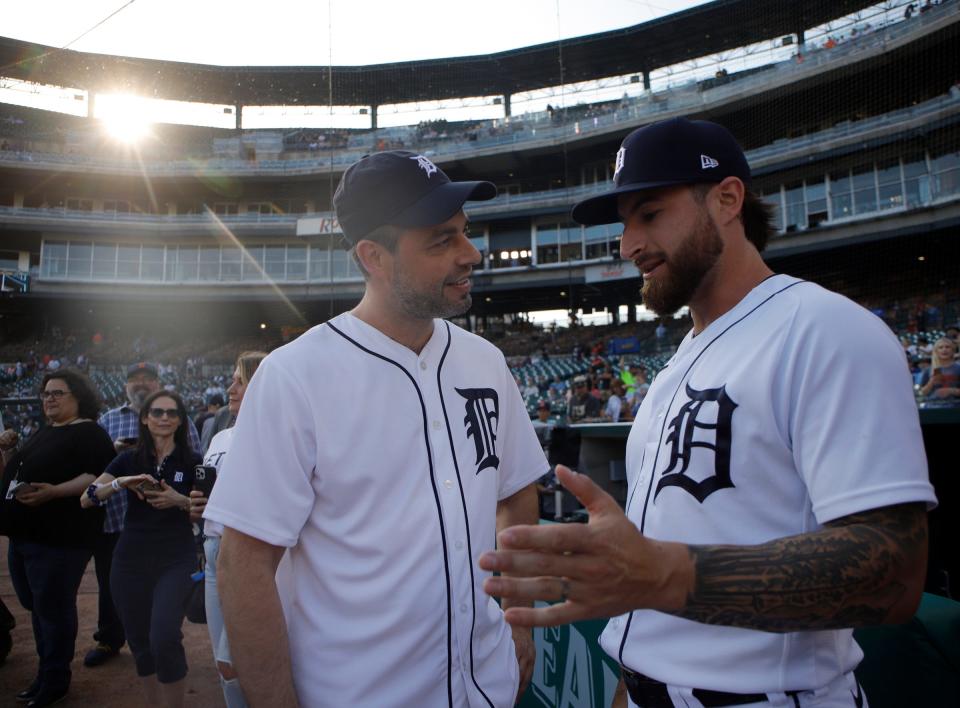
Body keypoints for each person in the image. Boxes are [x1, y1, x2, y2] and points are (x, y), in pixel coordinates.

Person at [479, 117, 936, 708]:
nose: (629, 245)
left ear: (726, 199)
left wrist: (661, 574)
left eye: (650, 214)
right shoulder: (678, 363)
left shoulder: (824, 328)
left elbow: (893, 571)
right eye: (625, 224)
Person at [204, 150, 547, 707]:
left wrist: (519, 619)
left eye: (465, 232)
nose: (470, 254)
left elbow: (516, 492)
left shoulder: (485, 361)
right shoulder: (295, 375)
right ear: (374, 257)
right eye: (442, 240)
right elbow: (243, 565)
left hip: (488, 686)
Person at [0, 368, 116, 708]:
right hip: (25, 536)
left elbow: (97, 476)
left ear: (77, 397)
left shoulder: (89, 432)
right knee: (36, 607)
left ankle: (54, 680)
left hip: (60, 539)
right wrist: (8, 453)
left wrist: (54, 493)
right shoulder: (45, 431)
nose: (49, 398)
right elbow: (18, 474)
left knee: (51, 609)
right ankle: (45, 675)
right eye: (46, 393)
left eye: (57, 393)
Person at [81, 390, 200, 708]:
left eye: (172, 413)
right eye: (157, 412)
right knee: (139, 640)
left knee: (163, 636)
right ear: (145, 418)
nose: (164, 418)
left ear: (180, 421)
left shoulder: (193, 462)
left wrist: (180, 500)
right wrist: (123, 482)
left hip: (177, 558)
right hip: (130, 559)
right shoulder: (128, 459)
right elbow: (87, 496)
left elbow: (215, 510)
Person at [189, 351, 268, 708]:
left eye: (240, 379)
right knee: (224, 668)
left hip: (248, 554)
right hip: (211, 552)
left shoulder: (277, 433)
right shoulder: (221, 437)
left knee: (236, 662)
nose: (231, 387)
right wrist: (192, 505)